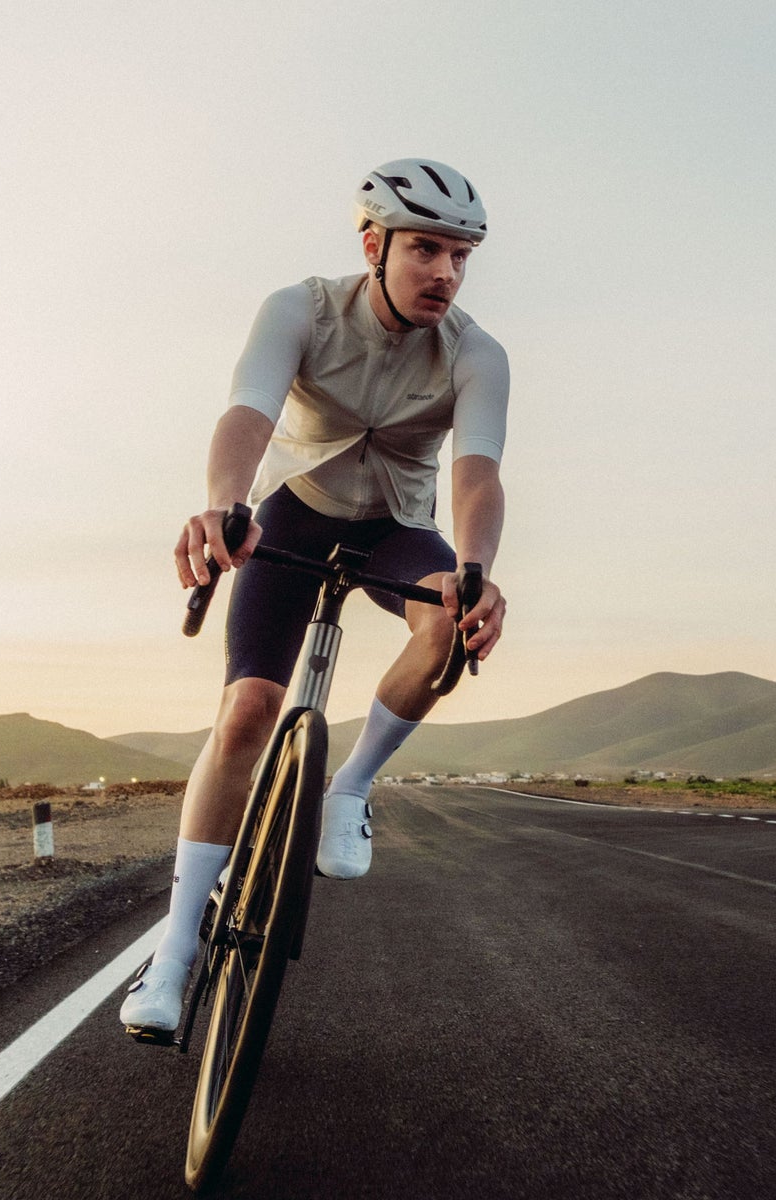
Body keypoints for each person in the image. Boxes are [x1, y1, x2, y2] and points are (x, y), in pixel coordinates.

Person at [120, 158, 510, 1039]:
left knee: (452, 619)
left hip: (395, 527)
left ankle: (349, 789)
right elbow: (249, 415)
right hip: (295, 515)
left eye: (460, 255)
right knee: (250, 710)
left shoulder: (478, 353)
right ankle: (175, 954)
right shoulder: (298, 309)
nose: (445, 273)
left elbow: (478, 475)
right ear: (372, 245)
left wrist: (477, 567)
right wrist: (223, 500)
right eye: (425, 250)